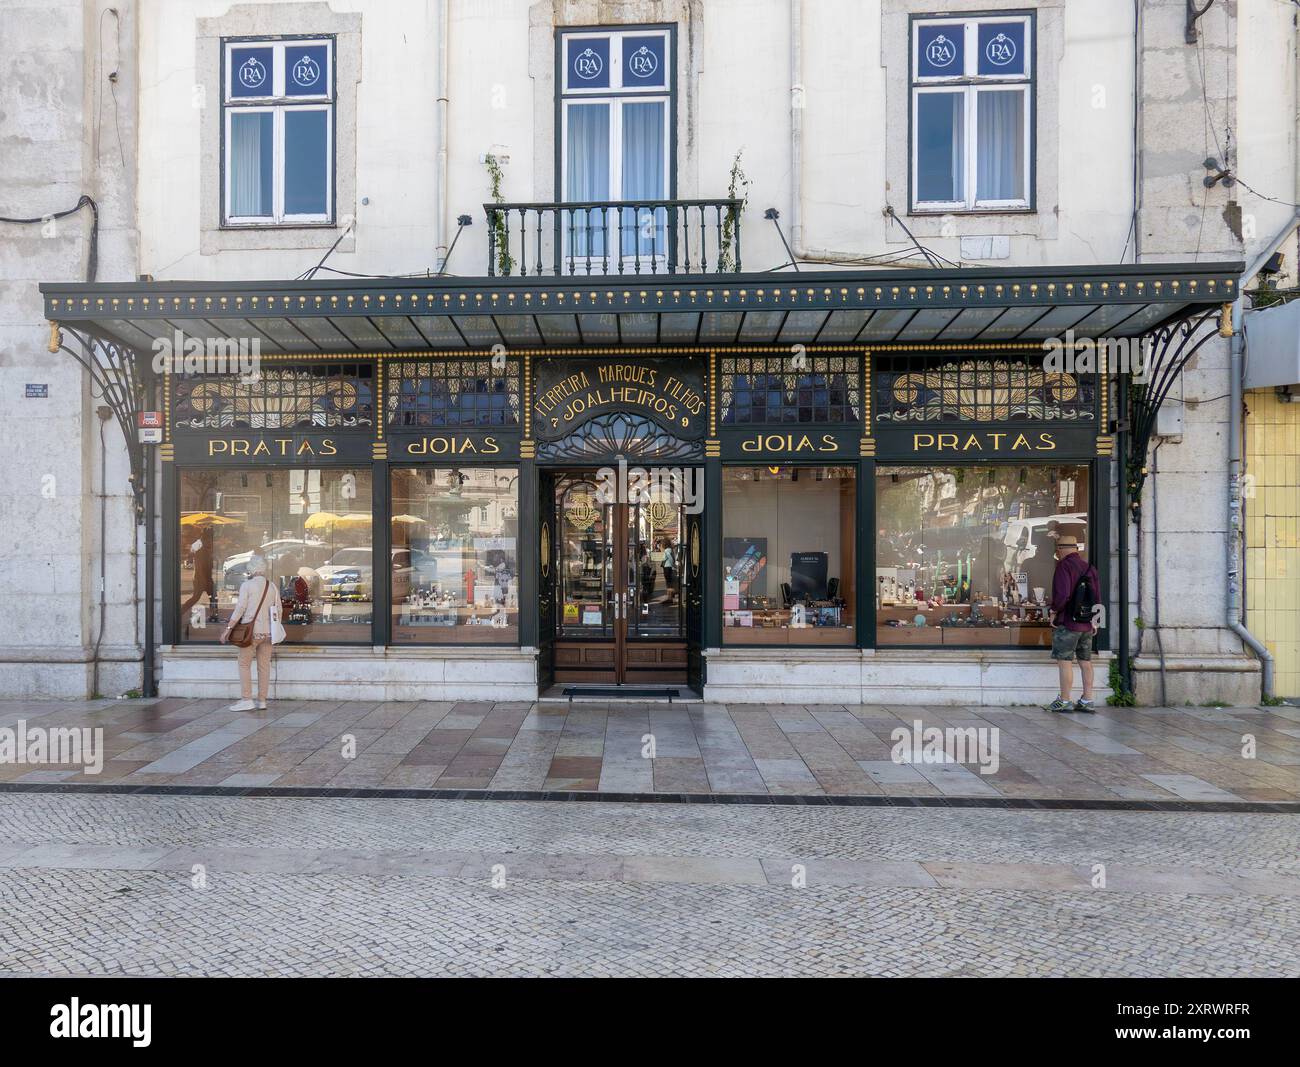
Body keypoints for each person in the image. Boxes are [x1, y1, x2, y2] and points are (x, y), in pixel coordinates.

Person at [219, 553, 285, 712]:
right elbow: (279, 610)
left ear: (251, 569)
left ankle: (246, 699)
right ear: (264, 569)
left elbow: (240, 609)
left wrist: (228, 629)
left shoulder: (247, 586)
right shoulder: (272, 586)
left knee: (244, 664)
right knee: (264, 667)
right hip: (268, 634)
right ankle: (262, 701)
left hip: (251, 633)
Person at [1046, 534, 1100, 713]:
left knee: (1065, 661)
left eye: (1058, 550)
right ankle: (1087, 699)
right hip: (1086, 623)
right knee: (1085, 661)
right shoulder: (1089, 567)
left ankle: (1065, 700)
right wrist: (1095, 621)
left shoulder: (1064, 566)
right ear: (1076, 549)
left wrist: (1053, 611)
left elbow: (1063, 595)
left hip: (1068, 623)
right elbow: (1097, 596)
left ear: (1060, 550)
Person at [662, 539, 677, 605]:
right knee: (669, 582)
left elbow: (670, 558)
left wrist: (672, 565)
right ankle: (670, 597)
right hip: (668, 567)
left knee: (668, 583)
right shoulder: (670, 549)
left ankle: (670, 597)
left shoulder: (667, 550)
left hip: (667, 567)